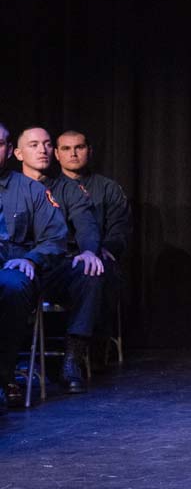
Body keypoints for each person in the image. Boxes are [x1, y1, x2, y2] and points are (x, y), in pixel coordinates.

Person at [13, 126, 106, 394]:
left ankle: (73, 358)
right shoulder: (10, 188)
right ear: (18, 153)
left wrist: (89, 251)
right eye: (33, 145)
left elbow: (86, 224)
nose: (42, 149)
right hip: (15, 267)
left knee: (90, 271)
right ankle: (14, 366)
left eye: (46, 144)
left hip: (52, 268)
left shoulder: (67, 189)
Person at [0, 122, 69, 413]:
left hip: (14, 269)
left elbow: (55, 238)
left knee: (10, 286)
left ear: (8, 150)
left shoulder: (30, 189)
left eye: (0, 143)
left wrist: (31, 258)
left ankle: (3, 378)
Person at [53, 129, 132, 364]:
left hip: (100, 256)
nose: (73, 153)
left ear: (89, 151)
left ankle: (97, 343)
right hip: (64, 260)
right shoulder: (49, 189)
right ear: (56, 154)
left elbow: (120, 228)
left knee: (100, 271)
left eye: (79, 147)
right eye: (66, 149)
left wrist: (105, 249)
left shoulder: (108, 188)